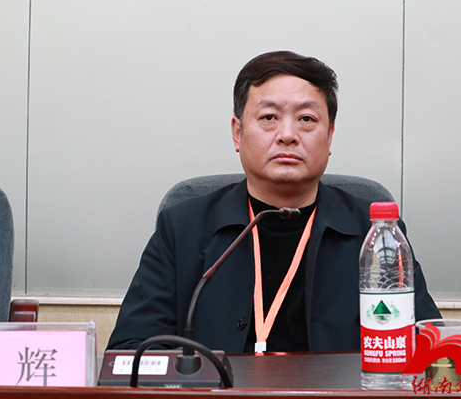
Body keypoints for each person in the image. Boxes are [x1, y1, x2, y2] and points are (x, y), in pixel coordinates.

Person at [107, 51, 440, 353]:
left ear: (330, 136)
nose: (288, 135)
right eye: (269, 117)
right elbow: (131, 352)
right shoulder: (182, 227)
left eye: (307, 119)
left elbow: (429, 347)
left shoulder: (375, 233)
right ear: (238, 133)